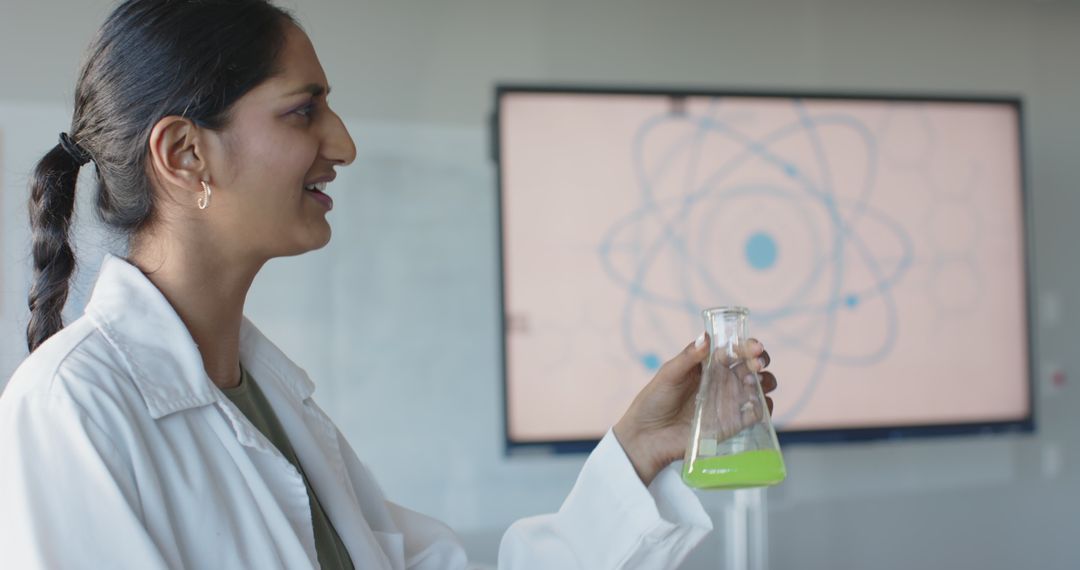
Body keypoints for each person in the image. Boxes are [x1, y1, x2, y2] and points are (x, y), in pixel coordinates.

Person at [0, 1, 779, 568]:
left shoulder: (272, 403)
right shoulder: (73, 409)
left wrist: (637, 452)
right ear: (184, 155)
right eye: (303, 112)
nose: (343, 144)